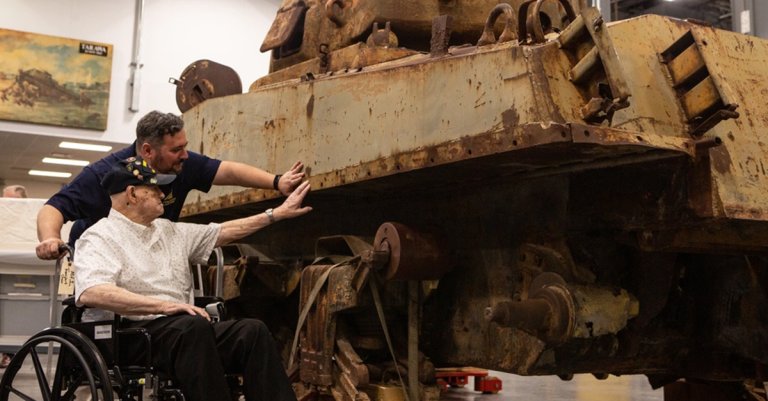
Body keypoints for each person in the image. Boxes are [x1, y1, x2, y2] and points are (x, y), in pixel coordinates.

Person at [75, 156, 312, 401]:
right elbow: (93, 291)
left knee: (252, 332)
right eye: (154, 188)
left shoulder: (169, 229)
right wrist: (166, 306)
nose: (162, 193)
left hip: (182, 331)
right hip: (131, 334)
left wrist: (277, 214)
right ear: (132, 194)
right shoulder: (99, 237)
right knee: (192, 326)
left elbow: (223, 231)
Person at [36, 110, 305, 260]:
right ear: (147, 150)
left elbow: (228, 171)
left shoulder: (181, 164)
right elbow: (55, 207)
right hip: (103, 258)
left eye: (185, 147)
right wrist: (50, 238)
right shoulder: (105, 175)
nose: (185, 155)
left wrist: (277, 182)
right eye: (177, 150)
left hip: (151, 254)